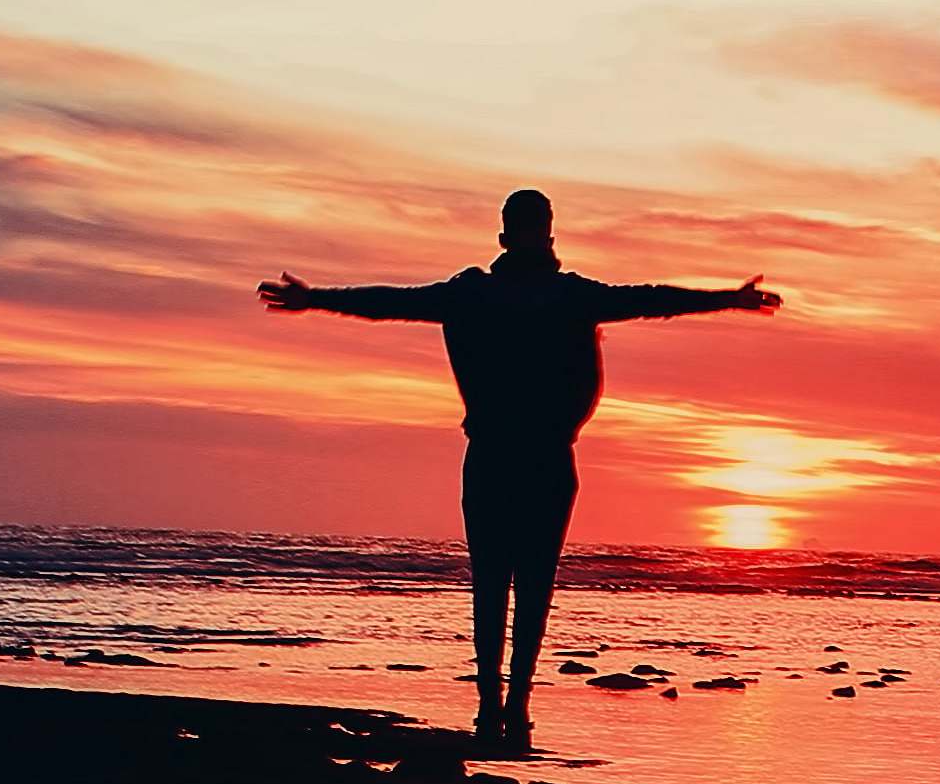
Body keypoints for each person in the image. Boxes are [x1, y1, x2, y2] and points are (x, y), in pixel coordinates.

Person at [261, 189, 781, 748]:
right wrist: (729, 298)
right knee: (528, 584)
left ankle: (497, 703)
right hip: (538, 457)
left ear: (504, 238)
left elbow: (394, 302)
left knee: (497, 582)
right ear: (547, 236)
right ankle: (510, 703)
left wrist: (317, 299)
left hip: (499, 456)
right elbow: (648, 298)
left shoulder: (485, 295)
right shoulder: (556, 296)